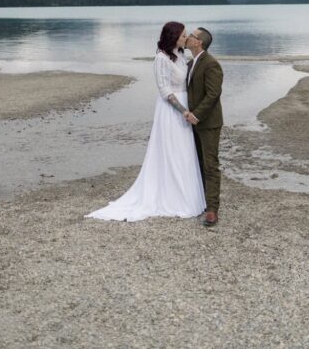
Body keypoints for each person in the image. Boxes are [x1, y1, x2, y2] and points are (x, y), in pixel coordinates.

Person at [86, 21, 206, 222]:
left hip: (186, 105)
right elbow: (165, 90)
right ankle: (170, 196)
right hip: (171, 111)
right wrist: (184, 111)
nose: (186, 38)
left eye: (186, 35)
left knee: (184, 152)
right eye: (183, 35)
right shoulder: (161, 59)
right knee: (171, 151)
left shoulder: (181, 55)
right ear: (173, 37)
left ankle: (187, 195)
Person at [184, 27, 223, 227]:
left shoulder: (211, 64)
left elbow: (213, 94)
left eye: (191, 35)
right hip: (192, 122)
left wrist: (197, 115)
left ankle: (212, 210)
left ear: (198, 42)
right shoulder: (190, 63)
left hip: (208, 123)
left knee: (210, 165)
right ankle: (200, 201)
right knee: (196, 163)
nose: (188, 37)